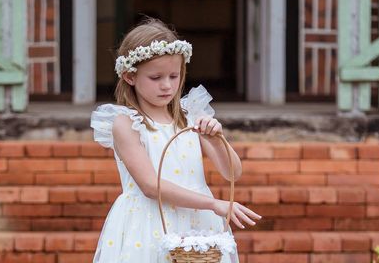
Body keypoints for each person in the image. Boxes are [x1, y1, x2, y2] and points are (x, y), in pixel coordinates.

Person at [90, 18, 261, 263]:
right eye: (156, 77)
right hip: (149, 223)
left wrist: (216, 139)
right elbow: (151, 186)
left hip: (197, 223)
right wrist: (213, 204)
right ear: (129, 76)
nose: (167, 86)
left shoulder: (190, 115)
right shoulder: (126, 123)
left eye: (174, 75)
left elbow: (232, 173)